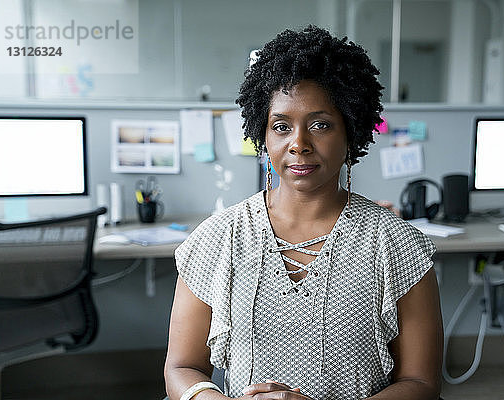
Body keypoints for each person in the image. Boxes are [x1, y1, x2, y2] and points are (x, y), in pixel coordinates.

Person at [164, 25, 443, 400]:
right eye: (281, 127)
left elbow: (422, 383)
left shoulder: (396, 245)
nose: (299, 144)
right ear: (263, 137)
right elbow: (182, 368)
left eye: (320, 125)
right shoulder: (219, 238)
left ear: (350, 134)